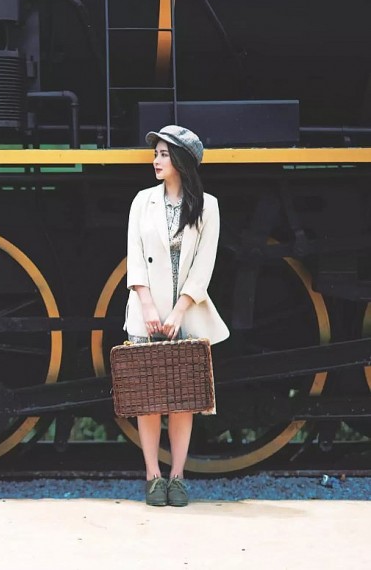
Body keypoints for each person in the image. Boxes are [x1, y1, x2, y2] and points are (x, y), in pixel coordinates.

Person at [124, 125, 229, 507]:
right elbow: (134, 257)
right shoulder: (141, 201)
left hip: (186, 313)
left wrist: (181, 308)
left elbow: (205, 264)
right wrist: (148, 305)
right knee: (148, 397)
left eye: (165, 154)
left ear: (182, 161)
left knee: (184, 398)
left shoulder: (208, 206)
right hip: (146, 313)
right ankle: (153, 475)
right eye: (157, 154)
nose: (156, 160)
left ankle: (178, 476)